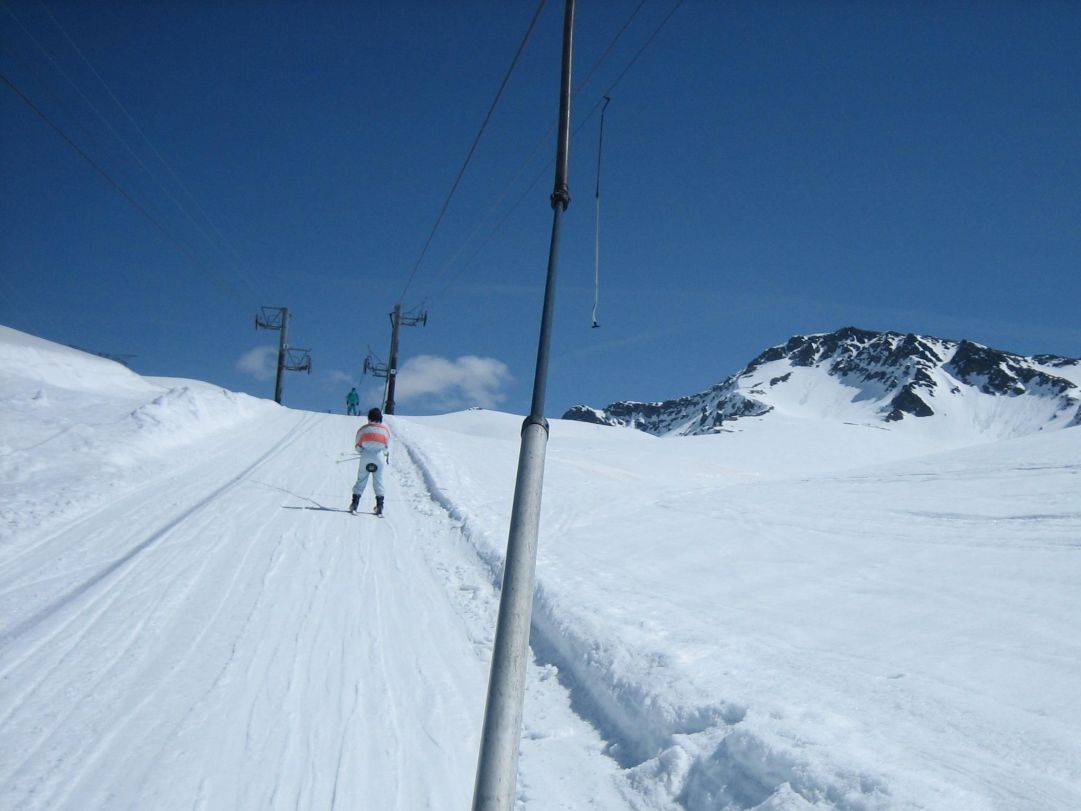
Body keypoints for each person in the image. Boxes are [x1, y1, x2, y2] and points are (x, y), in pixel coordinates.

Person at [350, 407, 390, 515]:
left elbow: (358, 446)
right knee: (378, 481)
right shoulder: (385, 430)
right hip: (379, 458)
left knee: (361, 480)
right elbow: (386, 448)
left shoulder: (363, 429)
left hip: (365, 457)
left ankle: (354, 503)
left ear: (369, 417)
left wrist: (362, 451)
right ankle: (380, 506)